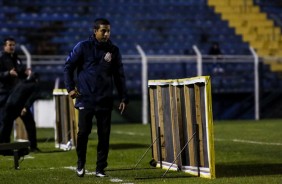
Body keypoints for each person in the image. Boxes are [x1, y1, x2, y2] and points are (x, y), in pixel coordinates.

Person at [64, 18, 129, 178]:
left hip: (105, 99)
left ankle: (100, 168)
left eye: (108, 31)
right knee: (83, 133)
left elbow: (119, 76)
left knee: (104, 135)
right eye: (103, 31)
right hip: (85, 98)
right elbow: (68, 66)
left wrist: (123, 97)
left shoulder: (114, 50)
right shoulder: (83, 47)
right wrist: (70, 88)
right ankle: (81, 163)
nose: (106, 34)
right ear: (95, 31)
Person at [0, 37, 40, 152]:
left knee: (29, 121)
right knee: (5, 123)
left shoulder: (16, 58)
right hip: (5, 97)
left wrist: (25, 72)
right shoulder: (1, 58)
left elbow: (20, 73)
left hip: (17, 96)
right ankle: (3, 146)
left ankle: (33, 146)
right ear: (4, 46)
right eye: (10, 45)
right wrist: (7, 73)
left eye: (13, 45)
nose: (12, 47)